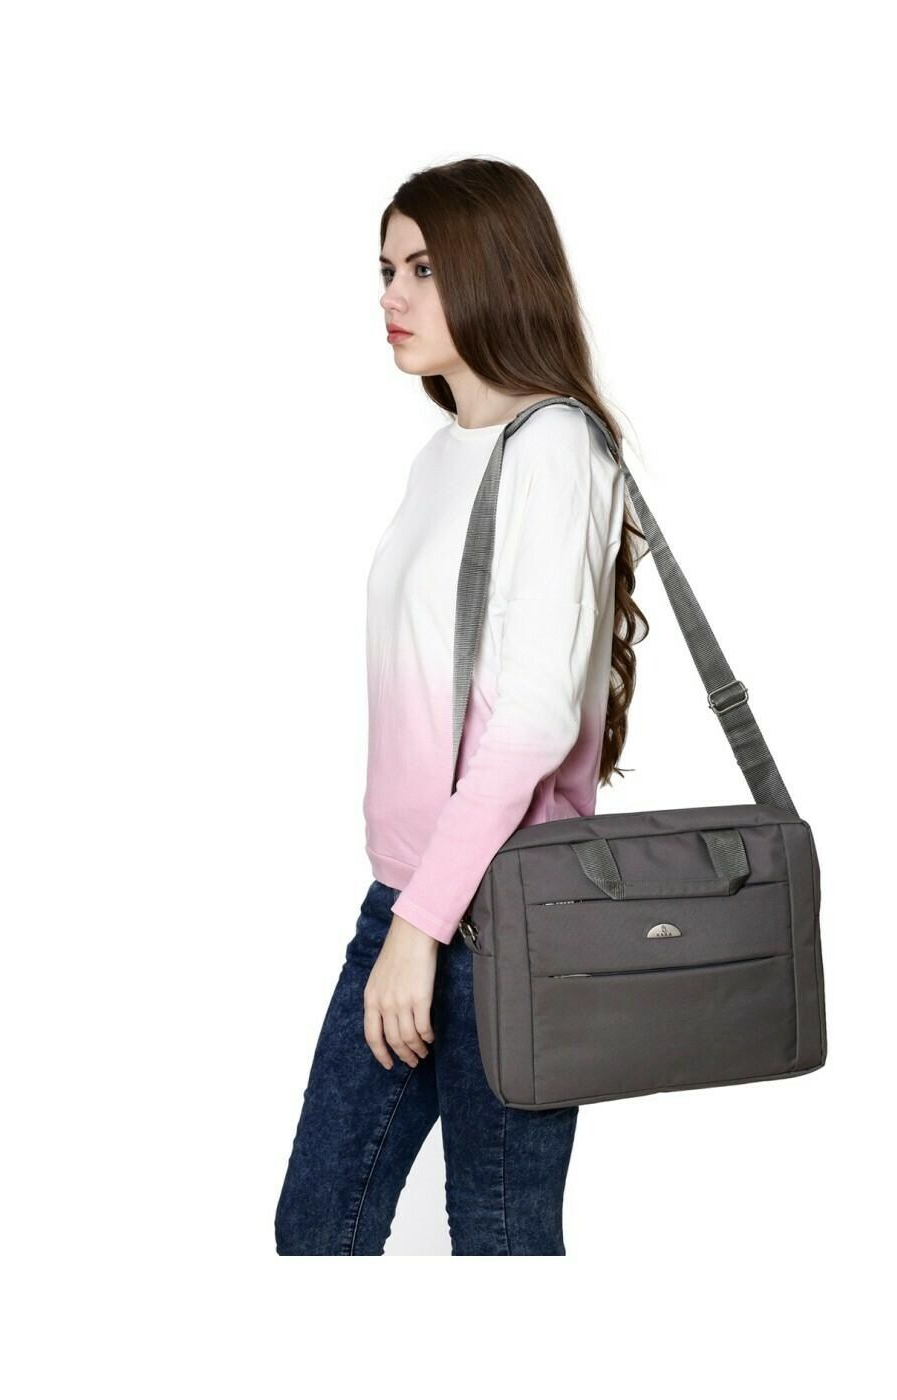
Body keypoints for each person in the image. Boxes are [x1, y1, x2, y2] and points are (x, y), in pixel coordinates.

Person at [274, 157, 649, 1255]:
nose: (391, 294)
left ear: (495, 271)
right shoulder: (444, 456)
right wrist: (410, 916)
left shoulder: (558, 447)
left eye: (424, 269)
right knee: (319, 1229)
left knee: (498, 1239)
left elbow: (532, 721)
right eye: (386, 269)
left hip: (501, 919)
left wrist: (419, 926)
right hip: (417, 899)